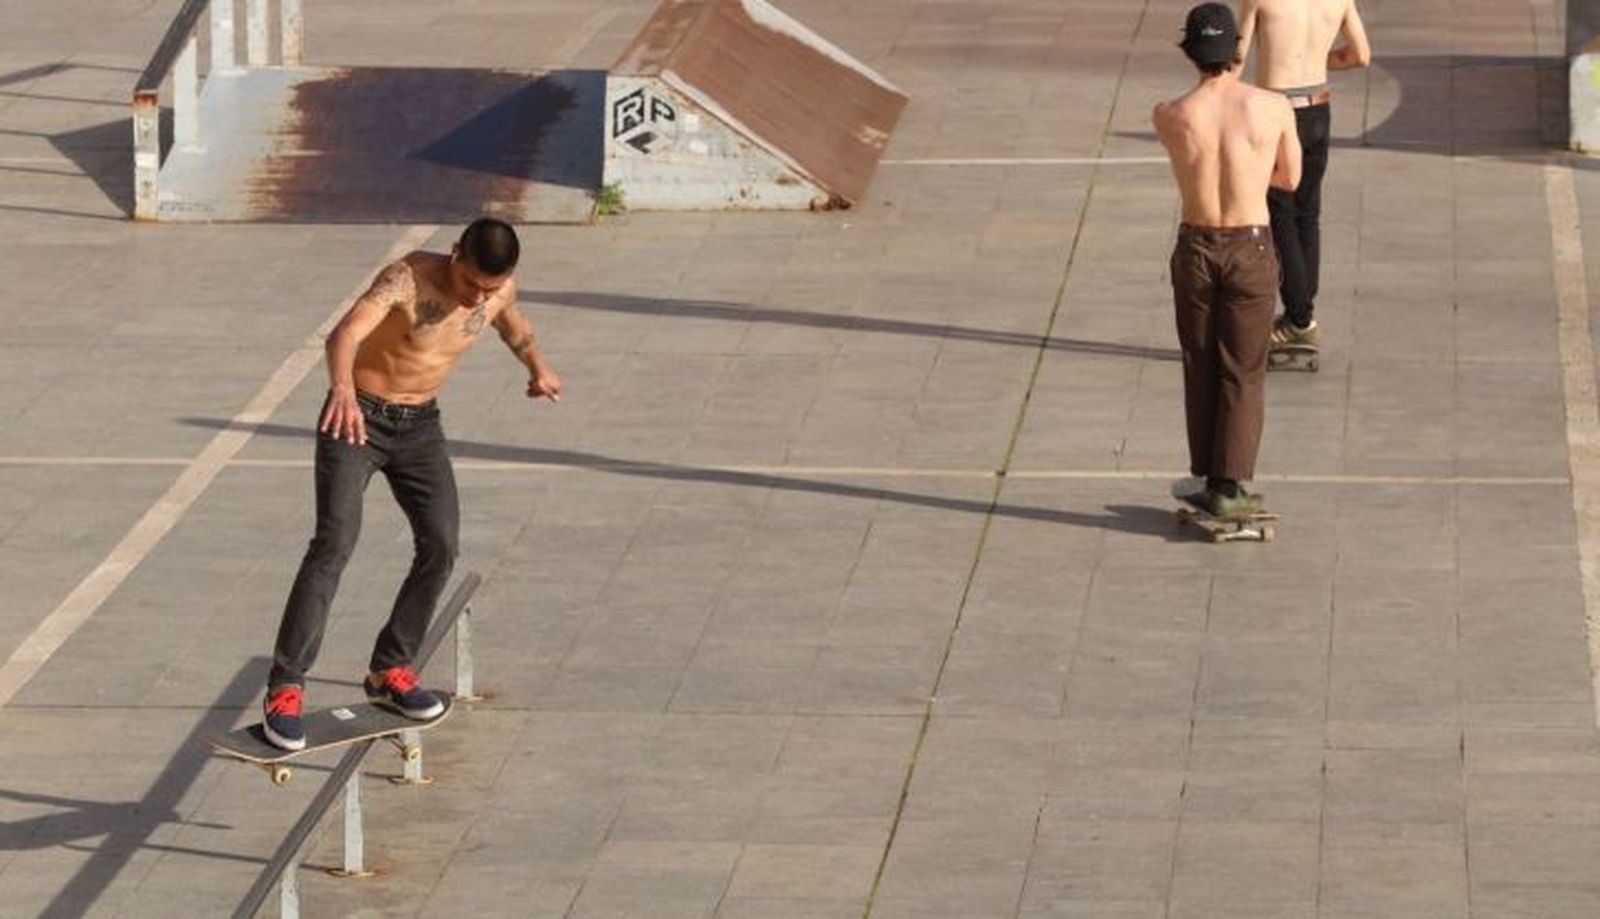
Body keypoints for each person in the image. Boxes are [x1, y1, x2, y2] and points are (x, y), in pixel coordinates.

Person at [261, 218, 562, 751]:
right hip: (356, 420)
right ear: (454, 255)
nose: (476, 297)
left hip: (420, 428)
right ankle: (285, 686)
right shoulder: (406, 279)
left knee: (442, 545)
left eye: (489, 289)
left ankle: (390, 668)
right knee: (334, 544)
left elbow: (514, 327)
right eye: (471, 283)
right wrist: (342, 390)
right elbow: (346, 333)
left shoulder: (498, 292)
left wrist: (537, 367)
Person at [1154, 3, 1301, 516]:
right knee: (1244, 367)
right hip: (1251, 243)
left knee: (1201, 363)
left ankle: (1208, 475)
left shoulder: (1169, 114)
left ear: (1190, 54)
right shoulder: (1272, 107)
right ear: (1237, 50)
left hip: (1196, 244)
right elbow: (1290, 179)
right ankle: (1231, 483)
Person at [1237, 0, 1371, 354]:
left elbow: (1235, 60)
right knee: (1307, 214)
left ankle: (1300, 318)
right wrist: (1317, 61)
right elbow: (1361, 55)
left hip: (1277, 110)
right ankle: (1301, 310)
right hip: (1318, 108)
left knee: (1279, 213)